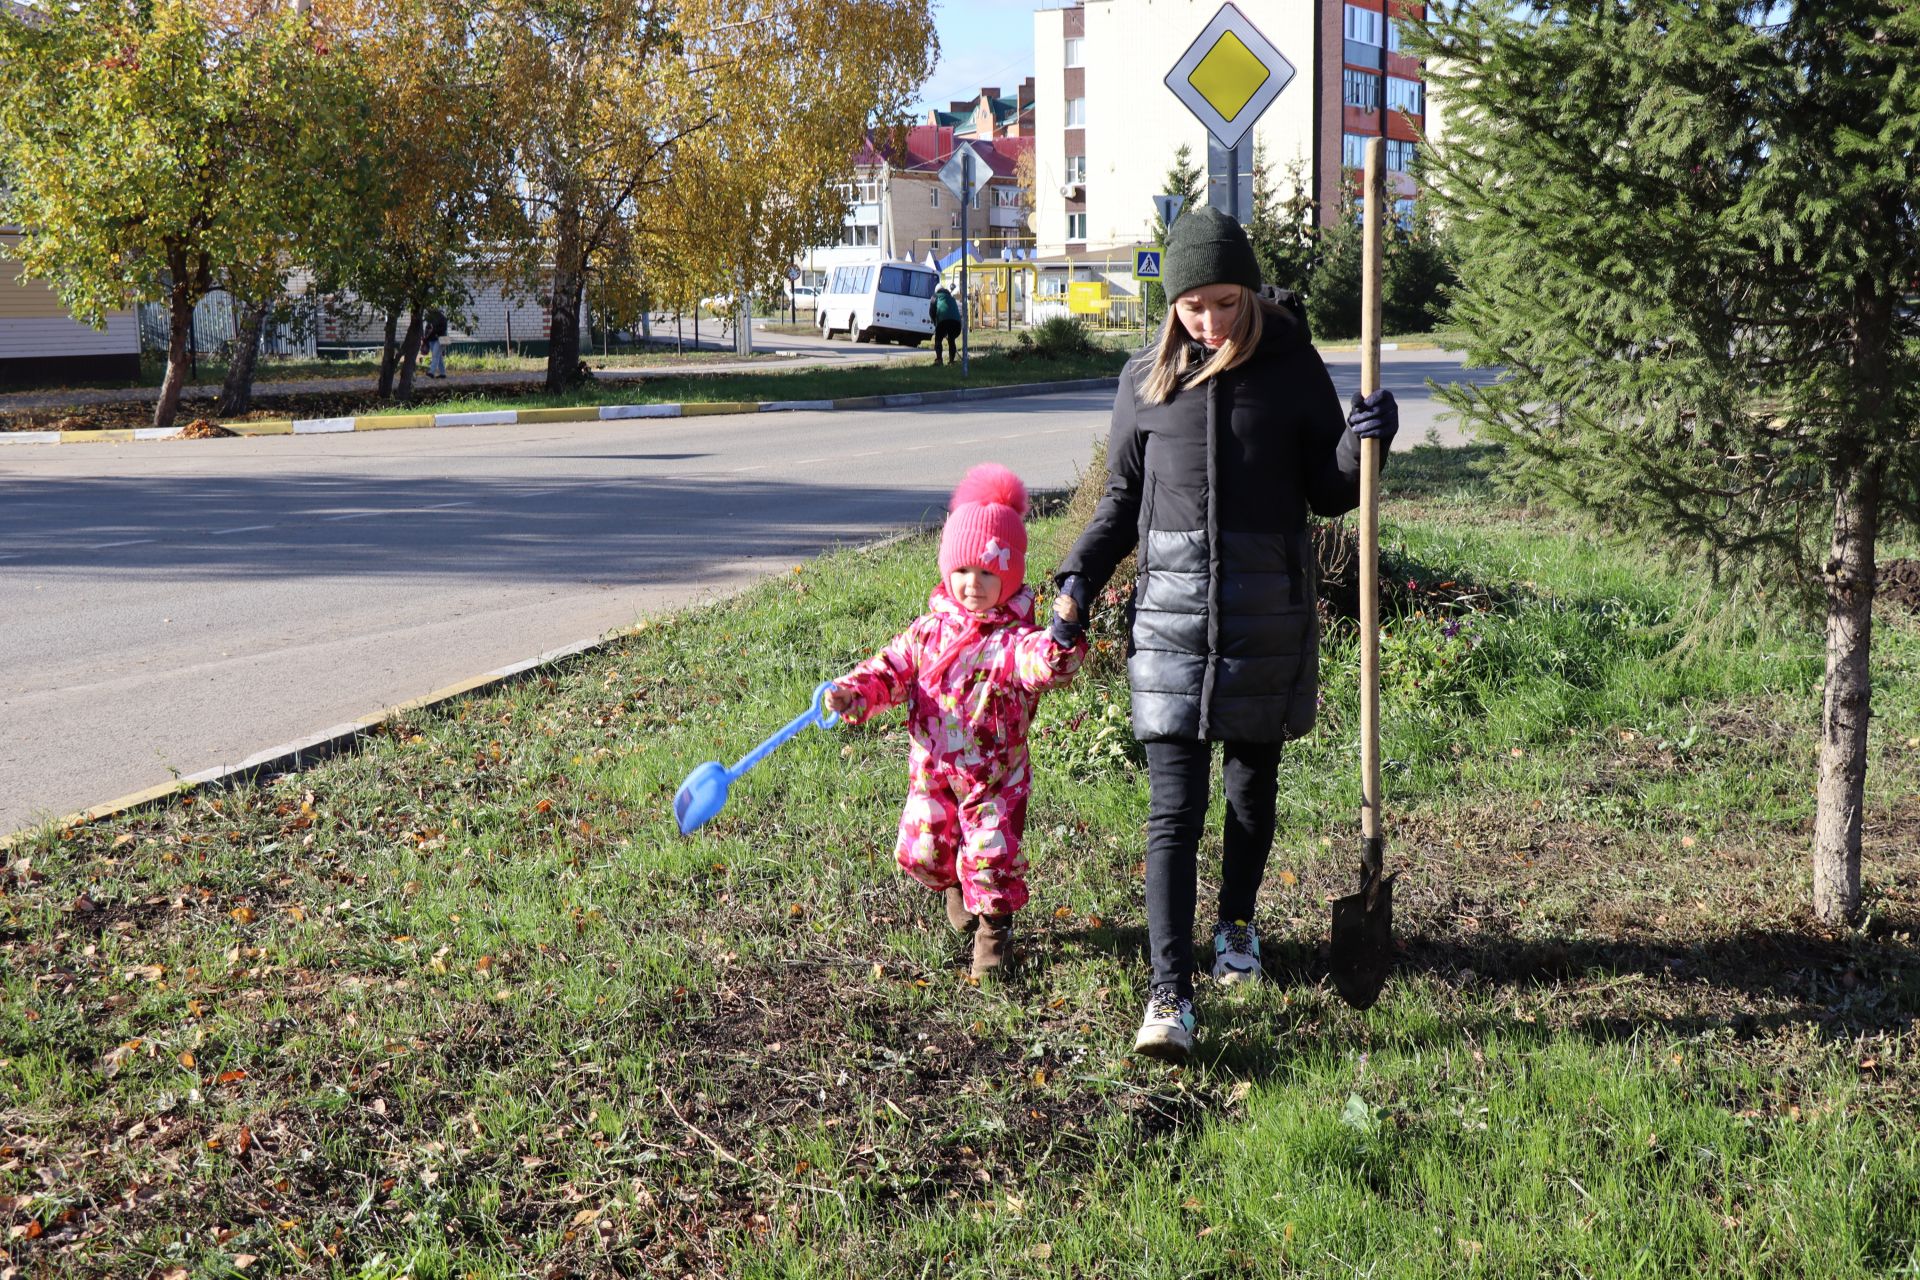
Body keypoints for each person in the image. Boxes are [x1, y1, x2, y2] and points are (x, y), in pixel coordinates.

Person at [1050, 205, 1400, 1061]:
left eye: (1224, 302)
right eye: (1193, 305)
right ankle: (1168, 992)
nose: (1209, 321)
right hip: (1170, 623)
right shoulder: (1145, 380)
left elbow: (1328, 488)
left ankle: (1236, 928)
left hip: (1262, 620)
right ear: (1173, 303)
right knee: (1174, 809)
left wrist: (1365, 447)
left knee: (1249, 797)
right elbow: (1120, 504)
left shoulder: (1291, 370)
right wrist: (1074, 588)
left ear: (1249, 291)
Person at [827, 464, 1087, 980]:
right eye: (964, 571)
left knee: (991, 856)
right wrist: (851, 693)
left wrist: (1062, 638)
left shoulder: (1011, 641)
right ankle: (952, 883)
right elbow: (890, 669)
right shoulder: (928, 632)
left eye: (989, 574)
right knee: (924, 850)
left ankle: (994, 936)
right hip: (934, 770)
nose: (973, 585)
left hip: (995, 778)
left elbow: (1045, 663)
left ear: (1008, 576)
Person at [928, 285, 962, 365]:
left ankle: (939, 360)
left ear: (936, 291)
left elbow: (931, 311)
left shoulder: (935, 296)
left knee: (938, 339)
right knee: (951, 339)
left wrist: (935, 323)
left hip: (943, 321)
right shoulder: (951, 298)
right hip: (956, 323)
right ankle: (951, 361)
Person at [422, 307, 449, 379]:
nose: (429, 311)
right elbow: (427, 328)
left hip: (440, 339)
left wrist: (433, 332)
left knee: (435, 355)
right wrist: (426, 339)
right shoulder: (430, 318)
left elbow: (443, 329)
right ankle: (443, 374)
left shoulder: (442, 318)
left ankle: (431, 372)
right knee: (438, 357)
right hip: (431, 339)